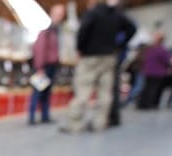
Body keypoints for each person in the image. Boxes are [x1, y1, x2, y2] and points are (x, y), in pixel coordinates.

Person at [60, 0, 136, 133]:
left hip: (90, 57)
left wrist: (80, 48)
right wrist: (120, 45)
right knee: (105, 93)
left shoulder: (93, 13)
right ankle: (99, 123)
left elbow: (83, 31)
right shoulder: (116, 15)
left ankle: (75, 125)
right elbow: (133, 28)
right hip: (109, 57)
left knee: (83, 91)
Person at [28, 4, 66, 125]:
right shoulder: (47, 31)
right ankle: (32, 117)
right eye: (57, 14)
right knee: (37, 93)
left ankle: (45, 116)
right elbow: (39, 50)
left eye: (61, 14)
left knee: (46, 93)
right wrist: (39, 67)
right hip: (43, 67)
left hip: (51, 67)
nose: (59, 17)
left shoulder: (56, 31)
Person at [107, 0, 137, 127]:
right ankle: (112, 115)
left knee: (111, 86)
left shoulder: (118, 17)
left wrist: (120, 44)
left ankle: (113, 116)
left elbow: (133, 28)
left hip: (114, 55)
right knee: (112, 86)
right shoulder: (117, 18)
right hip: (114, 54)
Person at [137, 32, 171, 110]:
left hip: (148, 71)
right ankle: (150, 104)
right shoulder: (162, 49)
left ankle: (142, 104)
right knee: (154, 89)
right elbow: (167, 60)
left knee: (146, 88)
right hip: (158, 72)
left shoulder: (150, 48)